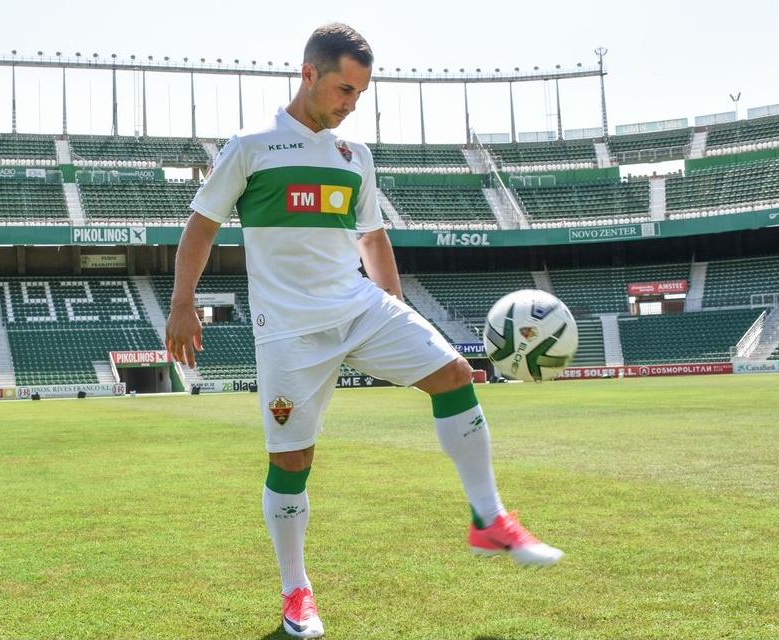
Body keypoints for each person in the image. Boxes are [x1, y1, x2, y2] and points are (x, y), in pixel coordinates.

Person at [165, 23, 562, 639]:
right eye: (343, 90)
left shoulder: (356, 157)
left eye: (359, 94)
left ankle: (489, 518)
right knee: (292, 459)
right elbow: (201, 224)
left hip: (360, 307)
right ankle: (296, 591)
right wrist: (182, 304)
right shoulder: (250, 146)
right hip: (289, 331)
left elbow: (372, 235)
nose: (351, 105)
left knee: (456, 374)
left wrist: (399, 309)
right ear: (308, 74)